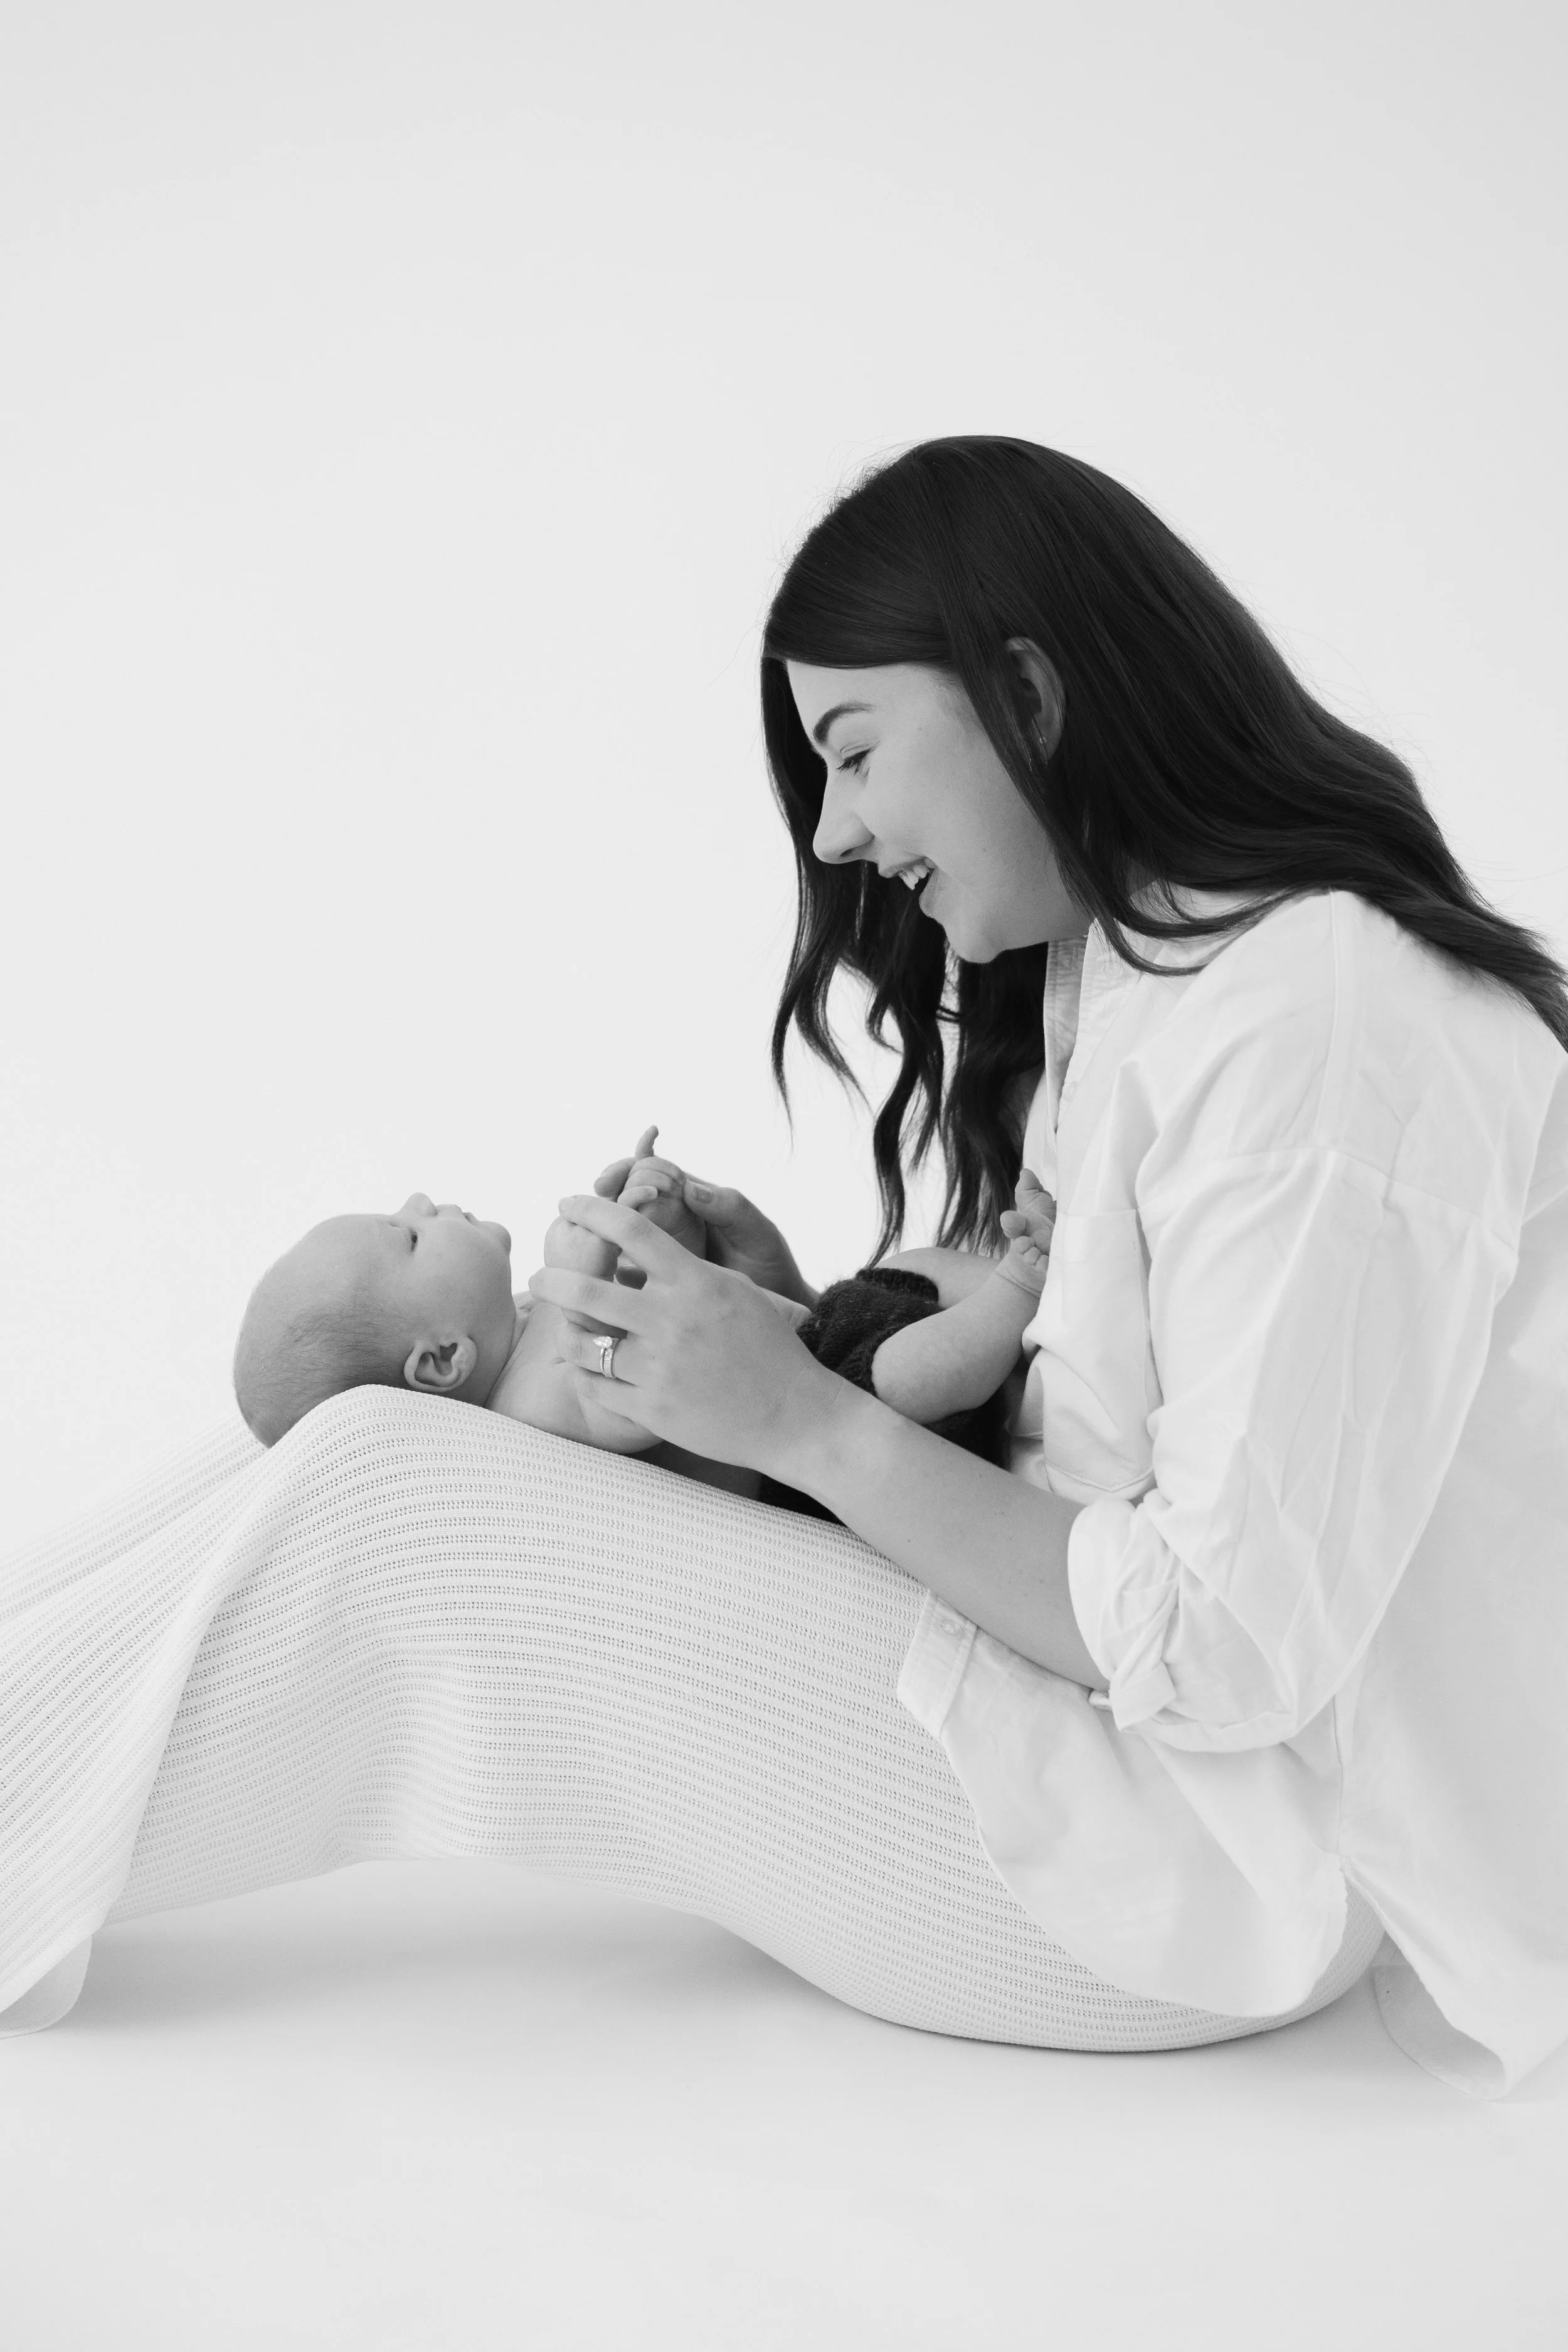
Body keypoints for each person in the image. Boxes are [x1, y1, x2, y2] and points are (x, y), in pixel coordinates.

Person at [4, 437, 1564, 2096]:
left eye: (850, 749)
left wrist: (796, 1421)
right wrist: (799, 1326)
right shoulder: (1139, 972)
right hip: (1089, 1753)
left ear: (1026, 692)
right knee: (326, 1423)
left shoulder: (1317, 1019)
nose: (829, 831)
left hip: (1197, 1874)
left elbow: (1222, 1648)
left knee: (392, 1480)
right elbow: (1091, 1439)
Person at [226, 1142, 1059, 1474]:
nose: (419, 1200)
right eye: (409, 1238)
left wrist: (655, 1228)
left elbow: (673, 1307)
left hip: (823, 1332)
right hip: (850, 1421)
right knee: (905, 1374)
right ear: (443, 1360)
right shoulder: (534, 1408)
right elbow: (628, 1400)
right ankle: (1025, 1285)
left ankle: (1045, 1289)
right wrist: (584, 1258)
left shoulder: (524, 1321)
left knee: (909, 1269)